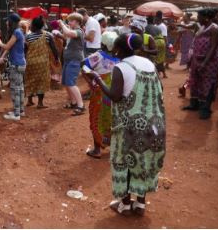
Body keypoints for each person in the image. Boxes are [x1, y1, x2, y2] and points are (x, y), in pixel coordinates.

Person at [84, 33, 166, 216]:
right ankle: (141, 204)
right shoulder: (149, 64)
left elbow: (115, 96)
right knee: (144, 162)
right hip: (155, 124)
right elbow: (160, 89)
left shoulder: (121, 67)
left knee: (125, 163)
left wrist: (97, 79)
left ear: (119, 49)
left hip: (130, 127)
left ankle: (125, 205)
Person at [81, 31, 119, 159]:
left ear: (103, 44)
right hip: (114, 94)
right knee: (113, 119)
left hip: (99, 93)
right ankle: (113, 146)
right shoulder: (120, 58)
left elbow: (83, 65)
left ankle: (97, 149)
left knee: (96, 118)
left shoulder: (98, 56)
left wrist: (90, 82)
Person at [183, 8, 218, 119]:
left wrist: (205, 63)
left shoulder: (214, 29)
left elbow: (213, 47)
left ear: (206, 18)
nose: (198, 19)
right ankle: (194, 104)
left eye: (199, 17)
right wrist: (192, 58)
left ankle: (205, 109)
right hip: (197, 60)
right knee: (195, 82)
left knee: (208, 83)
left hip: (210, 62)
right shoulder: (202, 28)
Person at [0, 13, 27, 121]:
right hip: (20, 63)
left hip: (16, 64)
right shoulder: (19, 32)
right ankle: (20, 111)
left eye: (7, 21)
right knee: (20, 88)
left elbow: (7, 46)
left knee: (15, 89)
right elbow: (9, 48)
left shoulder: (16, 32)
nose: (6, 22)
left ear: (12, 22)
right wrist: (3, 56)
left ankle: (16, 113)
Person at [24, 16, 59, 108]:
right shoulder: (48, 35)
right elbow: (54, 48)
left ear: (34, 26)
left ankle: (29, 100)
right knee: (42, 82)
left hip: (30, 62)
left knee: (30, 80)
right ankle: (40, 103)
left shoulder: (28, 36)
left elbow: (25, 50)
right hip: (42, 63)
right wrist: (57, 58)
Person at [58, 13, 86, 116]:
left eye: (71, 21)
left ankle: (81, 105)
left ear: (77, 22)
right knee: (66, 82)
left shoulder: (79, 31)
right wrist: (63, 28)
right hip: (69, 59)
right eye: (69, 21)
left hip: (74, 60)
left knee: (71, 83)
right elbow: (66, 35)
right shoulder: (73, 31)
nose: (69, 22)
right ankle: (74, 103)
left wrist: (62, 25)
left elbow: (69, 33)